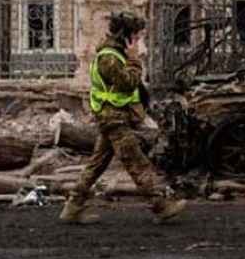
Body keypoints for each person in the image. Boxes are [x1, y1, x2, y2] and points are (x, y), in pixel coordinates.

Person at [59, 12, 187, 224]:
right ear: (126, 35)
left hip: (112, 116)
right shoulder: (110, 57)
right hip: (113, 118)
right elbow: (127, 82)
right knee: (136, 161)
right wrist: (135, 60)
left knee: (96, 165)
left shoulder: (114, 54)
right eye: (136, 35)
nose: (138, 40)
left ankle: (72, 206)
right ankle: (160, 205)